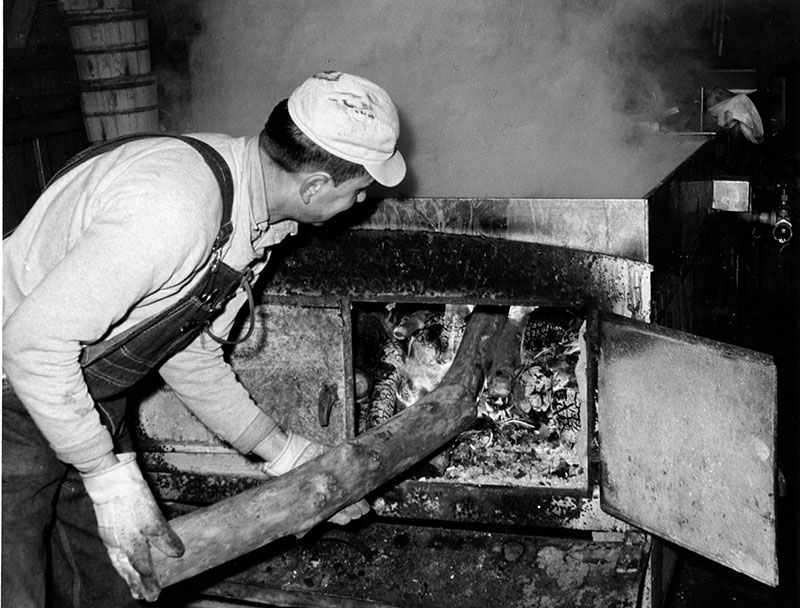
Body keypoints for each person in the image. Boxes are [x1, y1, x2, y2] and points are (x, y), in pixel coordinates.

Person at [2, 70, 406, 607]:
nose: (359, 204)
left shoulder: (247, 209)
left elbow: (186, 350)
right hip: (15, 391)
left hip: (83, 397)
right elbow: (31, 345)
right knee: (13, 585)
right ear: (314, 186)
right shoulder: (173, 210)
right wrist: (103, 472)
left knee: (115, 584)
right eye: (358, 191)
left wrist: (282, 452)